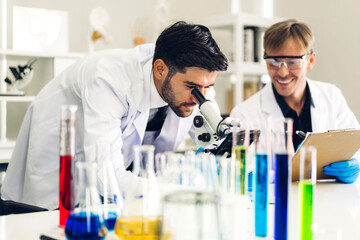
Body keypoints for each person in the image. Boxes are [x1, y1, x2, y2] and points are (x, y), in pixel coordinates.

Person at [1, 21, 228, 209]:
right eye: (194, 87)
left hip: (119, 175)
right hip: (60, 146)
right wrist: (171, 188)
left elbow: (211, 137)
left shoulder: (197, 83)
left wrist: (228, 148)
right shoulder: (110, 79)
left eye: (208, 87)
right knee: (50, 221)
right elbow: (105, 174)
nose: (201, 96)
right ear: (160, 69)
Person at [231, 19, 360, 183]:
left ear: (310, 61)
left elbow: (354, 146)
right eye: (274, 62)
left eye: (292, 62)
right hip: (275, 205)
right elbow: (242, 172)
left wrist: (354, 164)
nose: (282, 72)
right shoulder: (245, 114)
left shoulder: (331, 97)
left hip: (328, 200)